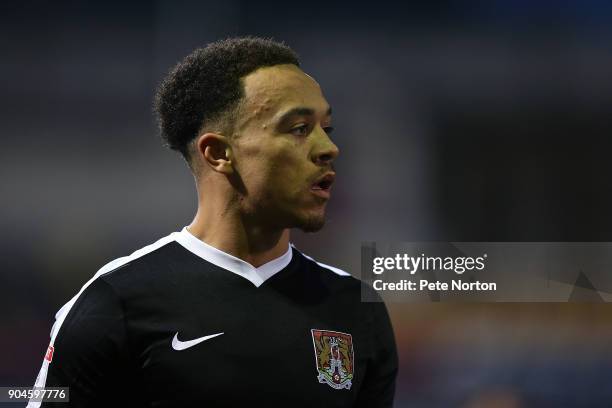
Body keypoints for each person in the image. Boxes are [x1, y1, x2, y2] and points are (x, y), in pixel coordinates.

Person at [28, 37, 398, 407]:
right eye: (299, 128)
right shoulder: (115, 301)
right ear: (219, 153)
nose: (328, 148)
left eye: (326, 129)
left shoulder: (356, 309)